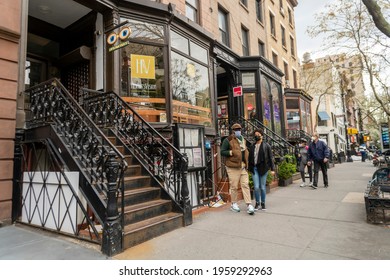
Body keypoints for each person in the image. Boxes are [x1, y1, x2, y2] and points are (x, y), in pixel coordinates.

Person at [221, 123, 255, 215]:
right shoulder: (228, 140)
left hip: (243, 166)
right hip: (232, 167)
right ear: (232, 131)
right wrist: (231, 152)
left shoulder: (242, 139)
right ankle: (234, 203)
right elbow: (222, 151)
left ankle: (249, 204)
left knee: (245, 184)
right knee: (234, 186)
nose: (238, 131)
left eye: (239, 129)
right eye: (236, 130)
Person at [248, 128, 275, 211]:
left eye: (258, 135)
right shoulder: (252, 146)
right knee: (256, 187)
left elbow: (270, 158)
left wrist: (272, 169)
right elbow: (250, 158)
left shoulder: (266, 146)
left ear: (262, 136)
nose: (256, 136)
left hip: (263, 168)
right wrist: (249, 168)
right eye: (255, 135)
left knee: (262, 187)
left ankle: (263, 203)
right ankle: (257, 202)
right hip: (255, 168)